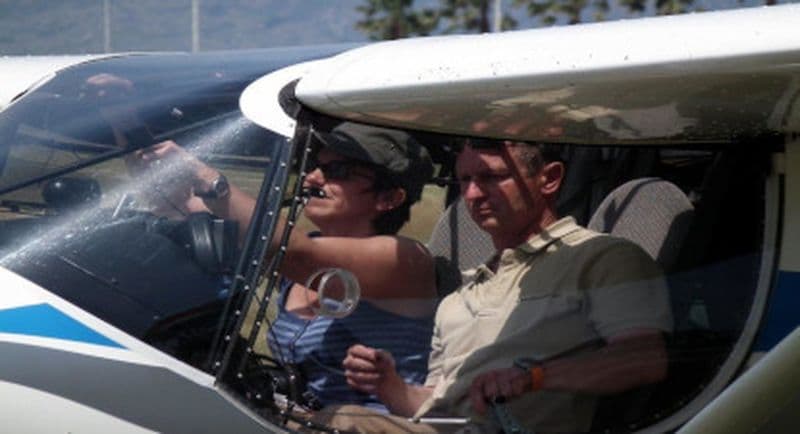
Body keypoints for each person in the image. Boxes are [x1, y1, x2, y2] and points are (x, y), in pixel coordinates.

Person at [319, 139, 673, 433]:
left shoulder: (599, 258)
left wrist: (534, 377)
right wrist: (390, 385)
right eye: (465, 180)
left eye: (491, 177)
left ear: (549, 179)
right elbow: (435, 405)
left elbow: (644, 359)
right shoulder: (459, 297)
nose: (472, 194)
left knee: (342, 422)